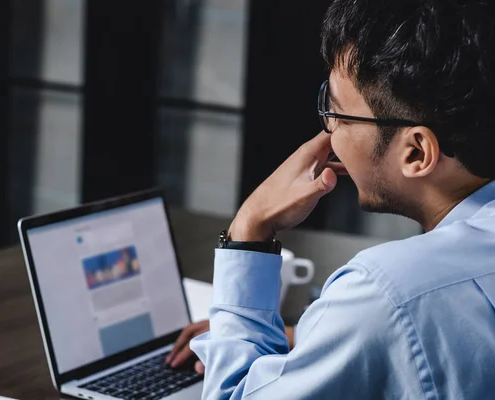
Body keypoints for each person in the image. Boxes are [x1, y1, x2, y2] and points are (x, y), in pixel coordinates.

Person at [166, 0, 495, 398]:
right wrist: (326, 340)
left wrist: (249, 229)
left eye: (339, 114)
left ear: (416, 153)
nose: (329, 133)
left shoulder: (385, 294)